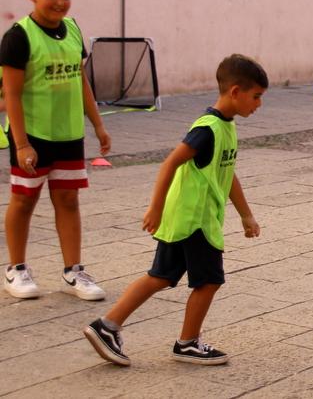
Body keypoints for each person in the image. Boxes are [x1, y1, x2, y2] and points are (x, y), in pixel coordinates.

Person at [83, 54, 266, 366]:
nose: (259, 104)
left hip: (189, 219)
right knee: (209, 280)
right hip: (195, 220)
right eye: (256, 96)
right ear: (235, 91)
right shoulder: (207, 128)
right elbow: (171, 162)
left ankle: (106, 326)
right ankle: (188, 342)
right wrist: (155, 208)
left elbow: (228, 170)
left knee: (161, 275)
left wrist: (245, 214)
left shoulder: (226, 127)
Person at [1, 0, 111, 300]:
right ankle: (15, 269)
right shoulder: (19, 37)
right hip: (32, 135)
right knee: (24, 199)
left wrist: (98, 124)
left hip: (68, 135)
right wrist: (21, 144)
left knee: (68, 199)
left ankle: (73, 271)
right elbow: (11, 95)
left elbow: (81, 82)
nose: (60, 2)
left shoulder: (74, 30)